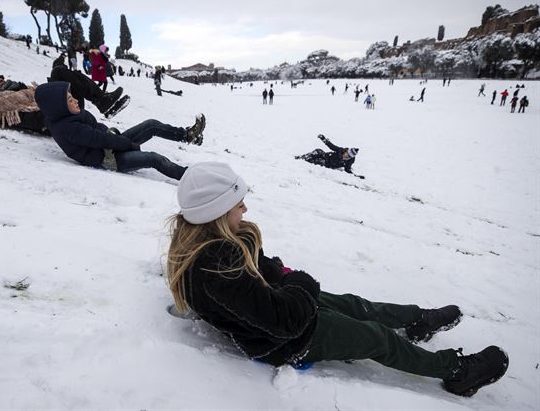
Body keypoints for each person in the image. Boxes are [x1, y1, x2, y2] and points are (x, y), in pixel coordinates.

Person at [167, 162, 509, 397]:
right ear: (215, 212)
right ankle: (457, 373)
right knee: (376, 338)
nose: (245, 210)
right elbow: (284, 321)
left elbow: (258, 271)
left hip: (275, 307)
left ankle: (417, 320)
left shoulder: (211, 242)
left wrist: (280, 275)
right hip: (284, 340)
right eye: (238, 204)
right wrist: (301, 282)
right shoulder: (214, 267)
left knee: (353, 304)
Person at [34, 82, 206, 180]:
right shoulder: (68, 128)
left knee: (151, 124)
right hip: (108, 159)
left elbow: (99, 131)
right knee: (154, 159)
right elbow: (99, 139)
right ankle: (190, 177)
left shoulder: (69, 115)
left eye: (72, 97)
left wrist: (116, 137)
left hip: (109, 144)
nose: (76, 101)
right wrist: (129, 144)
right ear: (59, 107)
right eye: (70, 100)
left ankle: (187, 135)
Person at [47, 64, 127, 116]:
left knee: (69, 78)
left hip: (67, 113)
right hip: (54, 118)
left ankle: (102, 101)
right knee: (58, 71)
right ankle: (101, 100)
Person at [295, 134, 362, 177]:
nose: (347, 156)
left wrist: (356, 176)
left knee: (318, 161)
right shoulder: (341, 150)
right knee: (318, 151)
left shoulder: (350, 161)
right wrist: (323, 139)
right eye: (347, 154)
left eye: (349, 156)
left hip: (327, 164)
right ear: (346, 151)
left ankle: (307, 161)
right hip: (326, 156)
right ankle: (302, 157)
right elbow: (331, 146)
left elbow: (347, 169)